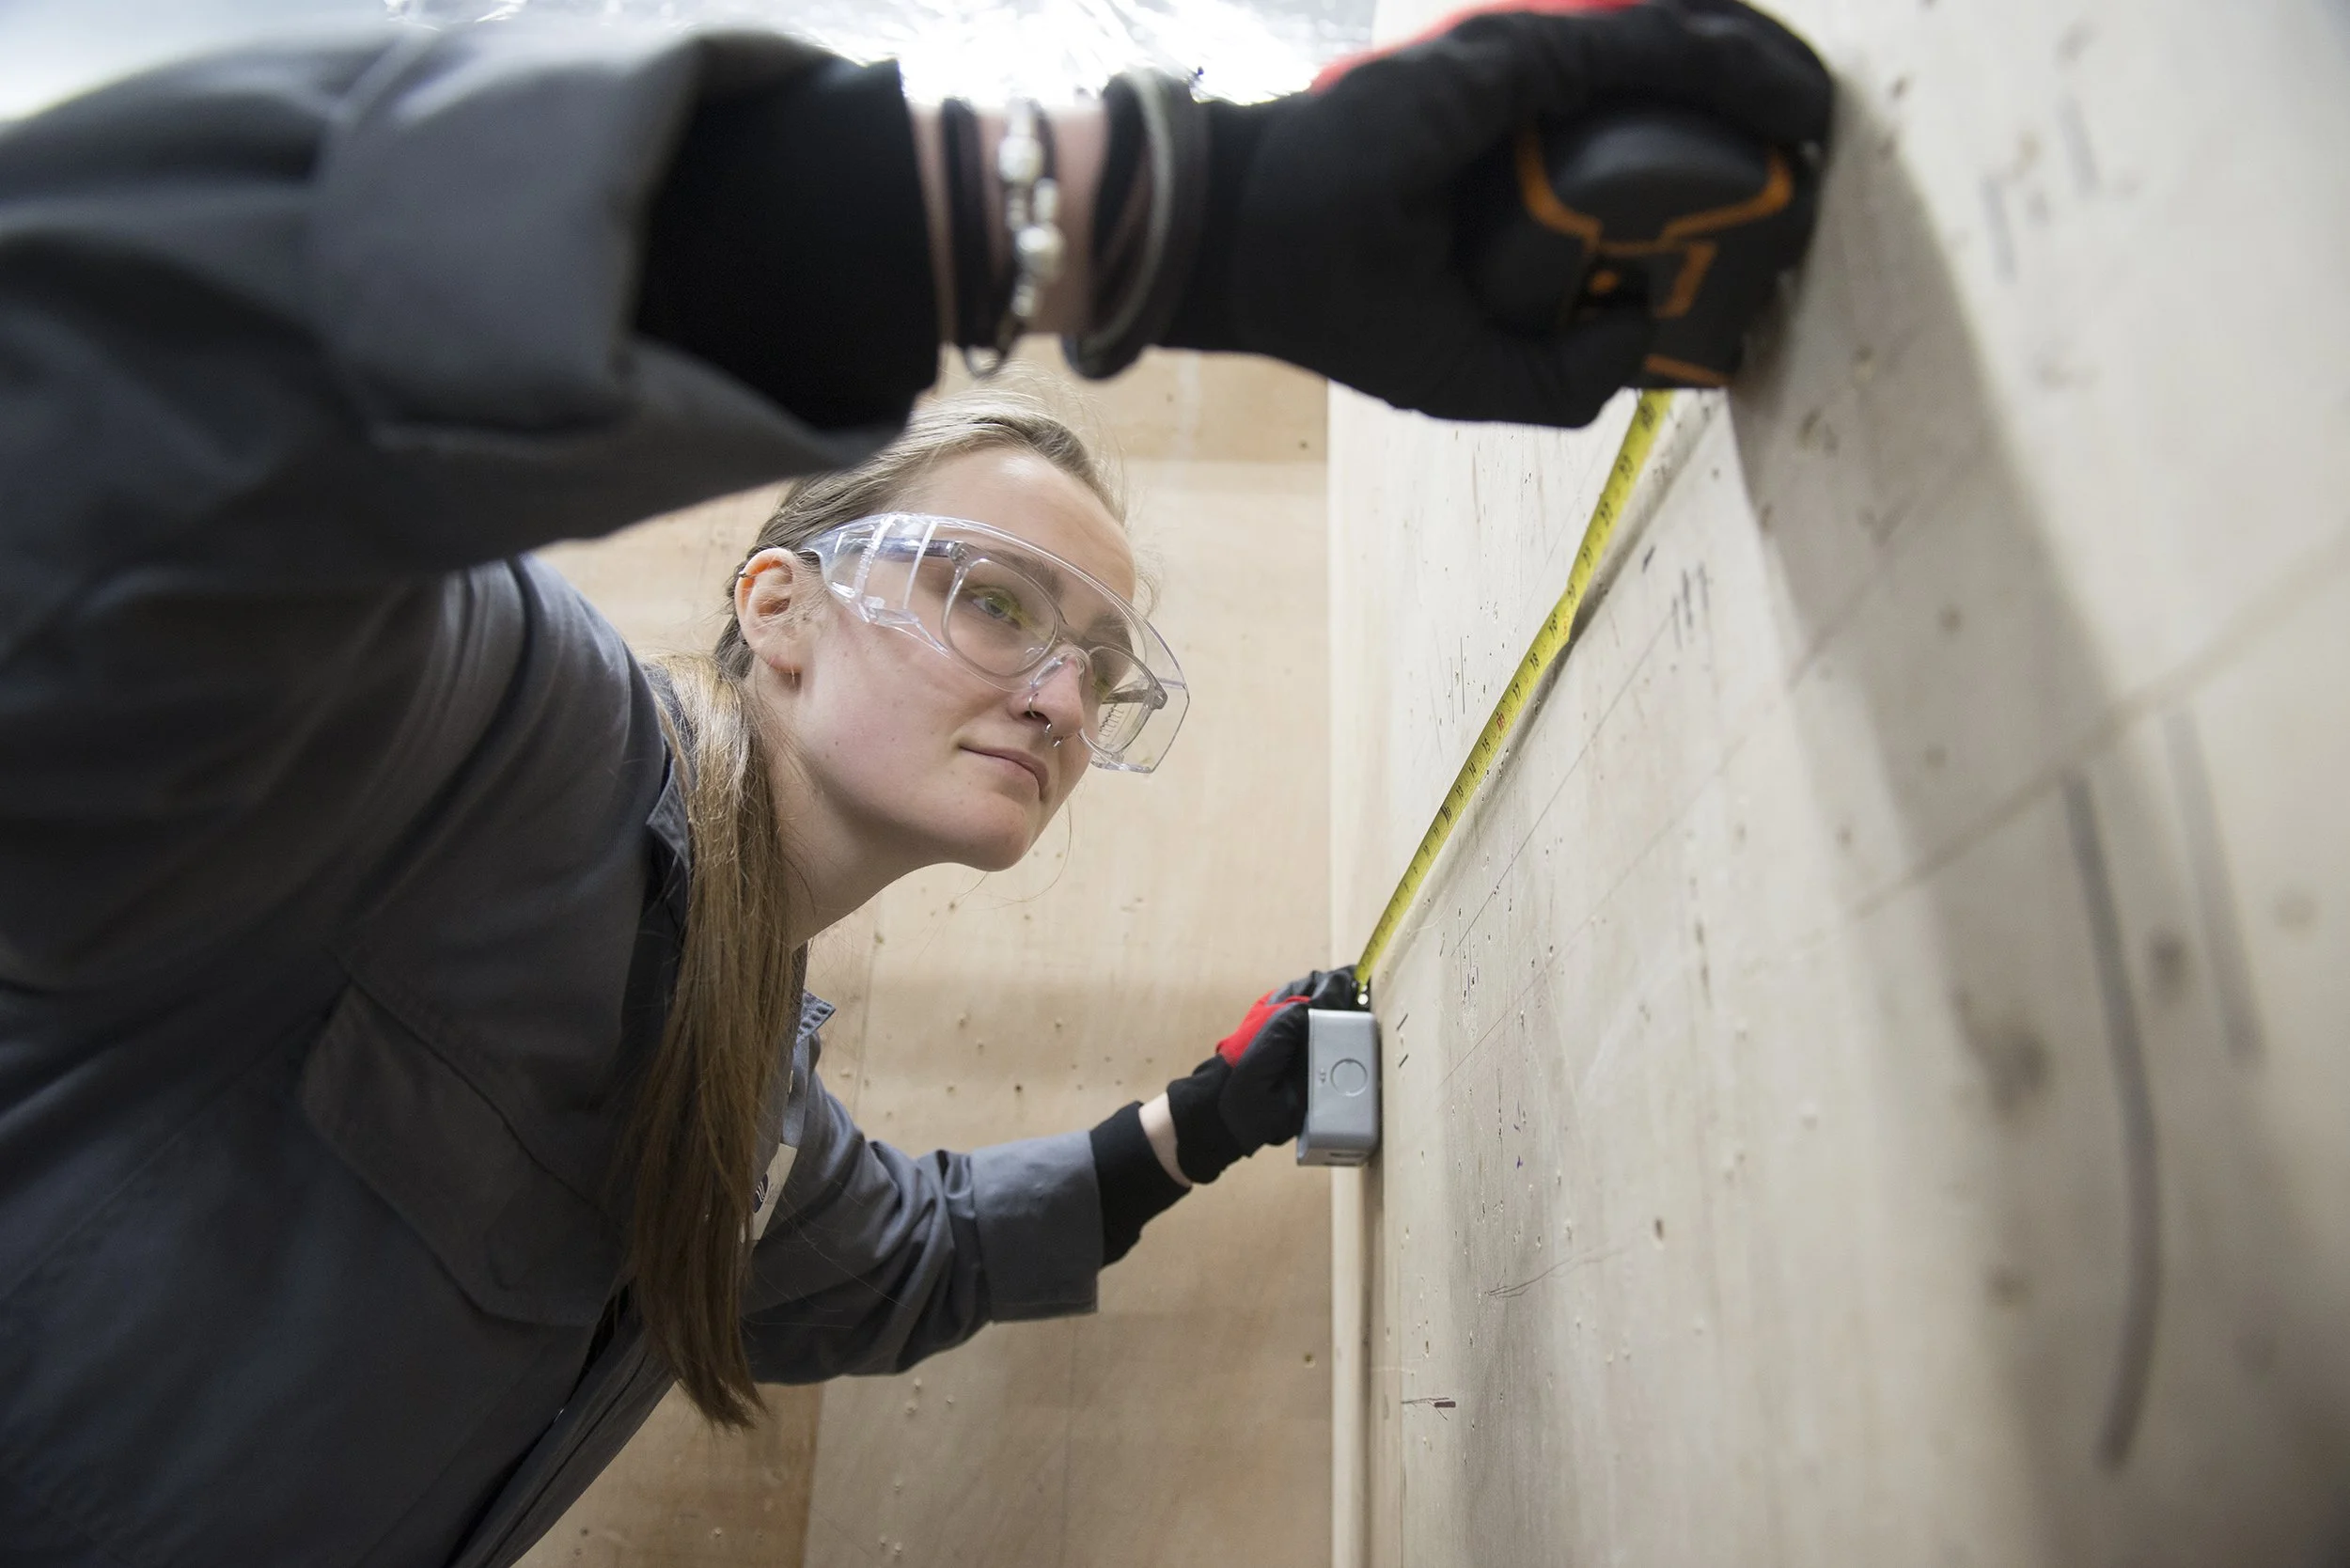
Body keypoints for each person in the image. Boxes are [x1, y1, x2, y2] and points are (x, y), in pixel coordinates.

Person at [0, 2, 1830, 1562]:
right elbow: (100, 376)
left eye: (1099, 662)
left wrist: (1213, 1116)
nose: (1060, 692)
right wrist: (1150, 218)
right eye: (993, 598)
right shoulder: (489, 748)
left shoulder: (748, 1092)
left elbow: (908, 1265)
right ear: (779, 610)